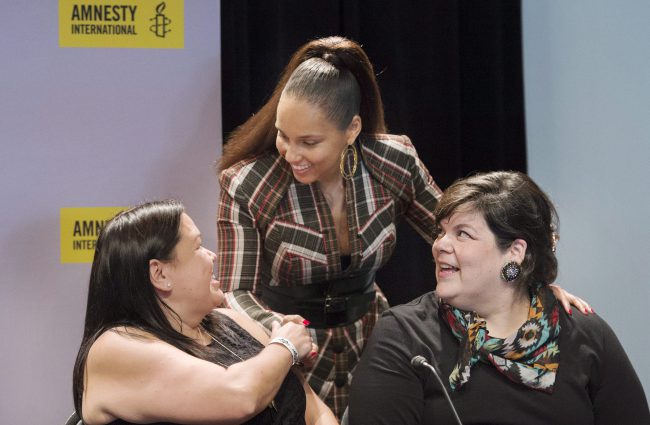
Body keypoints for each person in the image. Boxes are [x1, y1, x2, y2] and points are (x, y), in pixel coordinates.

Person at [216, 36, 591, 417]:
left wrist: (528, 282)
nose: (291, 153)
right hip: (289, 350)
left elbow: (462, 240)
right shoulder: (247, 184)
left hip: (375, 343)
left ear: (352, 129)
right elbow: (235, 291)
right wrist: (282, 334)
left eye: (309, 142)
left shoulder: (394, 162)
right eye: (283, 135)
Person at [347, 171, 649, 425]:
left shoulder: (583, 333)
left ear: (515, 252)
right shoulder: (404, 337)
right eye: (442, 232)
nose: (440, 245)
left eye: (463, 234)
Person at [72, 200, 338, 425]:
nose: (212, 255)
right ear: (160, 273)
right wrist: (286, 345)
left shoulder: (231, 321)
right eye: (198, 247)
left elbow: (313, 411)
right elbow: (239, 396)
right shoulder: (117, 347)